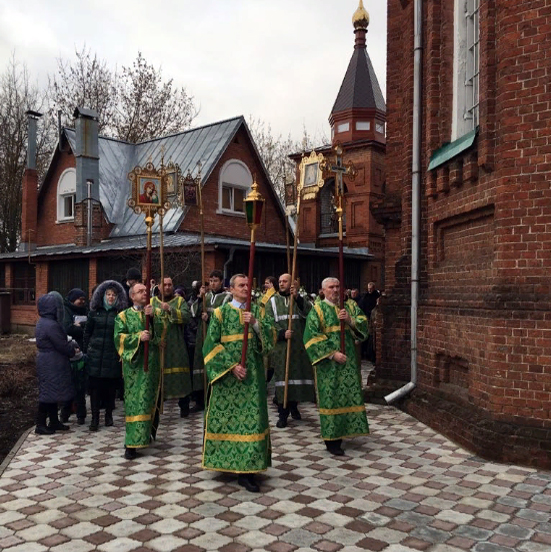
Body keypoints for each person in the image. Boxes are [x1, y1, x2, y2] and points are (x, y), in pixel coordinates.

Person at [202, 274, 275, 492]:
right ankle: (228, 463)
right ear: (231, 289)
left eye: (248, 285)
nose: (246, 288)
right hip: (228, 380)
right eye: (241, 285)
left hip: (252, 379)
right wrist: (232, 366)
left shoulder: (257, 312)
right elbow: (210, 346)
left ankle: (248, 471)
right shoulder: (220, 314)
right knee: (228, 421)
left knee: (252, 421)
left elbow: (270, 341)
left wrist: (254, 324)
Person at [303, 277, 369, 456]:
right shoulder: (317, 310)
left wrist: (349, 321)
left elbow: (363, 325)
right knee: (331, 397)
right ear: (323, 291)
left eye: (338, 286)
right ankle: (332, 439)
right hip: (328, 364)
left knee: (347, 396)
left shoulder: (350, 307)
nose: (335, 290)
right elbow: (311, 337)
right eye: (331, 287)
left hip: (348, 361)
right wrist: (332, 354)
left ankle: (345, 430)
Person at [114, 283, 165, 460]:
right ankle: (131, 443)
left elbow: (161, 338)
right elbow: (118, 338)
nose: (144, 294)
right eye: (140, 291)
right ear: (132, 296)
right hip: (134, 367)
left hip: (152, 365)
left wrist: (153, 319)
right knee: (135, 403)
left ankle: (146, 433)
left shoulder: (155, 313)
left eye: (145, 291)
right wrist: (138, 338)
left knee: (150, 399)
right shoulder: (123, 316)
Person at [265, 274, 315, 428]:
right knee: (282, 381)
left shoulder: (301, 298)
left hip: (298, 346)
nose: (281, 283)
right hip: (282, 347)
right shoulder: (272, 301)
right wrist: (281, 333)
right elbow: (267, 323)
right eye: (279, 281)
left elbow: (311, 315)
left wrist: (298, 298)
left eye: (284, 281)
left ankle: (294, 406)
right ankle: (283, 414)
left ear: (293, 283)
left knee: (296, 377)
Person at [84, 280, 127, 431]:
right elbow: (87, 333)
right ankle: (95, 418)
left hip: (112, 355)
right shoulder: (94, 313)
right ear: (102, 296)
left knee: (110, 387)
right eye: (108, 294)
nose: (110, 297)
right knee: (95, 388)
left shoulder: (120, 314)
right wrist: (86, 350)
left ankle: (108, 415)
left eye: (113, 295)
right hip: (95, 354)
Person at [35, 291, 78, 434]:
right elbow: (61, 344)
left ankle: (54, 421)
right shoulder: (52, 325)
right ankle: (40, 424)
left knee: (51, 392)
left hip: (48, 361)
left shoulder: (43, 321)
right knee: (47, 393)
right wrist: (73, 349)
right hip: (51, 362)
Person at [151, 276, 193, 418]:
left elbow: (187, 317)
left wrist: (170, 310)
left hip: (176, 343)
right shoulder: (152, 302)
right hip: (159, 344)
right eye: (165, 284)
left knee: (181, 375)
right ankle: (157, 405)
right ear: (158, 286)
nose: (168, 287)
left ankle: (184, 406)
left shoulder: (180, 301)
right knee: (159, 377)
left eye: (170, 285)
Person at [190, 270, 231, 412]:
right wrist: (201, 299)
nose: (213, 284)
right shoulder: (206, 296)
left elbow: (225, 313)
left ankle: (214, 397)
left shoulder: (227, 297)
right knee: (200, 364)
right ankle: (200, 400)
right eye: (211, 281)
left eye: (216, 281)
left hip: (216, 335)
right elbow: (194, 311)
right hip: (203, 335)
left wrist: (210, 317)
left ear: (221, 282)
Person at [60, 288, 88, 424]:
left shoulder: (85, 310)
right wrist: (80, 328)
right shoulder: (66, 311)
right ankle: (65, 413)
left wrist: (80, 326)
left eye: (84, 299)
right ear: (72, 299)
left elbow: (88, 328)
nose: (82, 302)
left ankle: (81, 414)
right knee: (69, 385)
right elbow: (67, 328)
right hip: (70, 354)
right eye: (79, 299)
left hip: (82, 353)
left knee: (80, 386)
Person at [358, 282, 381, 361]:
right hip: (366, 318)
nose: (369, 290)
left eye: (371, 288)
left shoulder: (376, 296)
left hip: (373, 318)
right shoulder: (365, 296)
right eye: (368, 289)